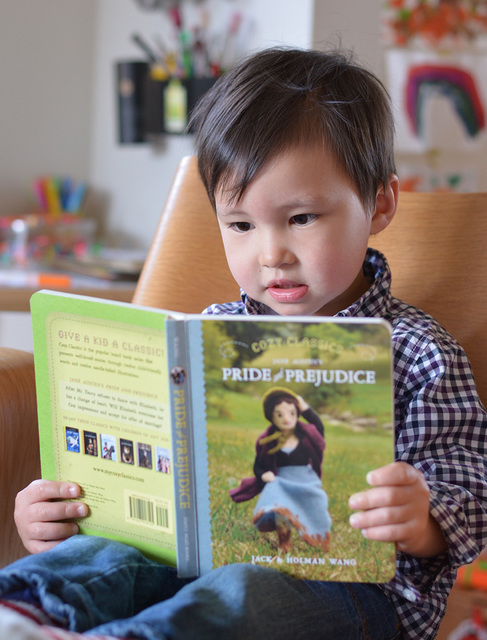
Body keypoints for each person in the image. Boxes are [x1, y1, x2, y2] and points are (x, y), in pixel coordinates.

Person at [2, 46, 487, 640]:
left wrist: (423, 516)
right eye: (241, 225)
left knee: (240, 590)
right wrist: (61, 513)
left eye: (302, 218)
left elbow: (471, 487)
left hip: (353, 596)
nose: (271, 253)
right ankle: (26, 612)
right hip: (197, 564)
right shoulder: (205, 336)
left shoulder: (418, 350)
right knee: (99, 560)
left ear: (379, 204)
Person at [230, 388, 332, 552]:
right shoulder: (268, 441)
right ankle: (284, 542)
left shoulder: (307, 436)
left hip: (305, 479)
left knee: (317, 504)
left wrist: (306, 408)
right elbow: (258, 465)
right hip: (281, 481)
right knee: (280, 508)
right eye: (279, 414)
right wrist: (264, 474)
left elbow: (319, 428)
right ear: (271, 416)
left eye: (291, 413)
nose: (286, 418)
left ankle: (317, 538)